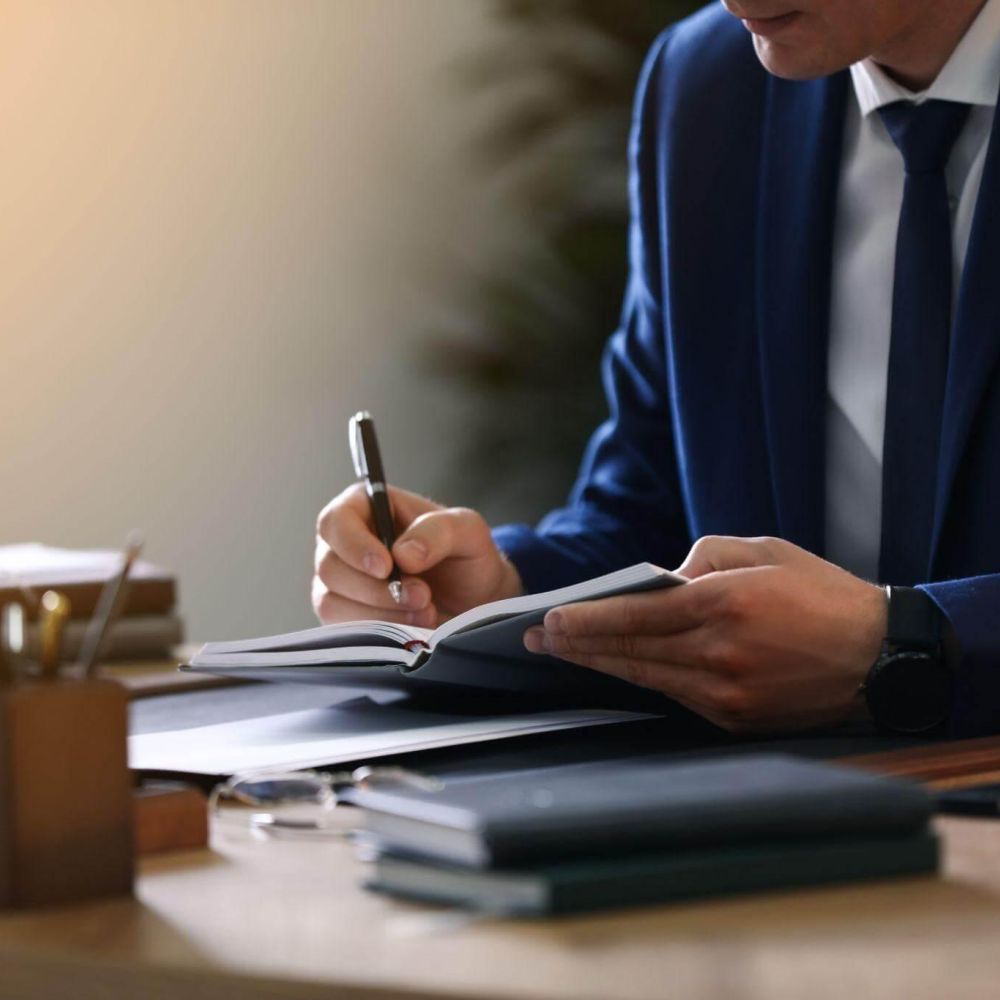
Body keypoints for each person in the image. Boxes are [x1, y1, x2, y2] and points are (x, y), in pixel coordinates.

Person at [313, 0, 1000, 738]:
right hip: (787, 809)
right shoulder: (706, 84)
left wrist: (909, 642)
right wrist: (493, 598)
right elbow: (648, 512)